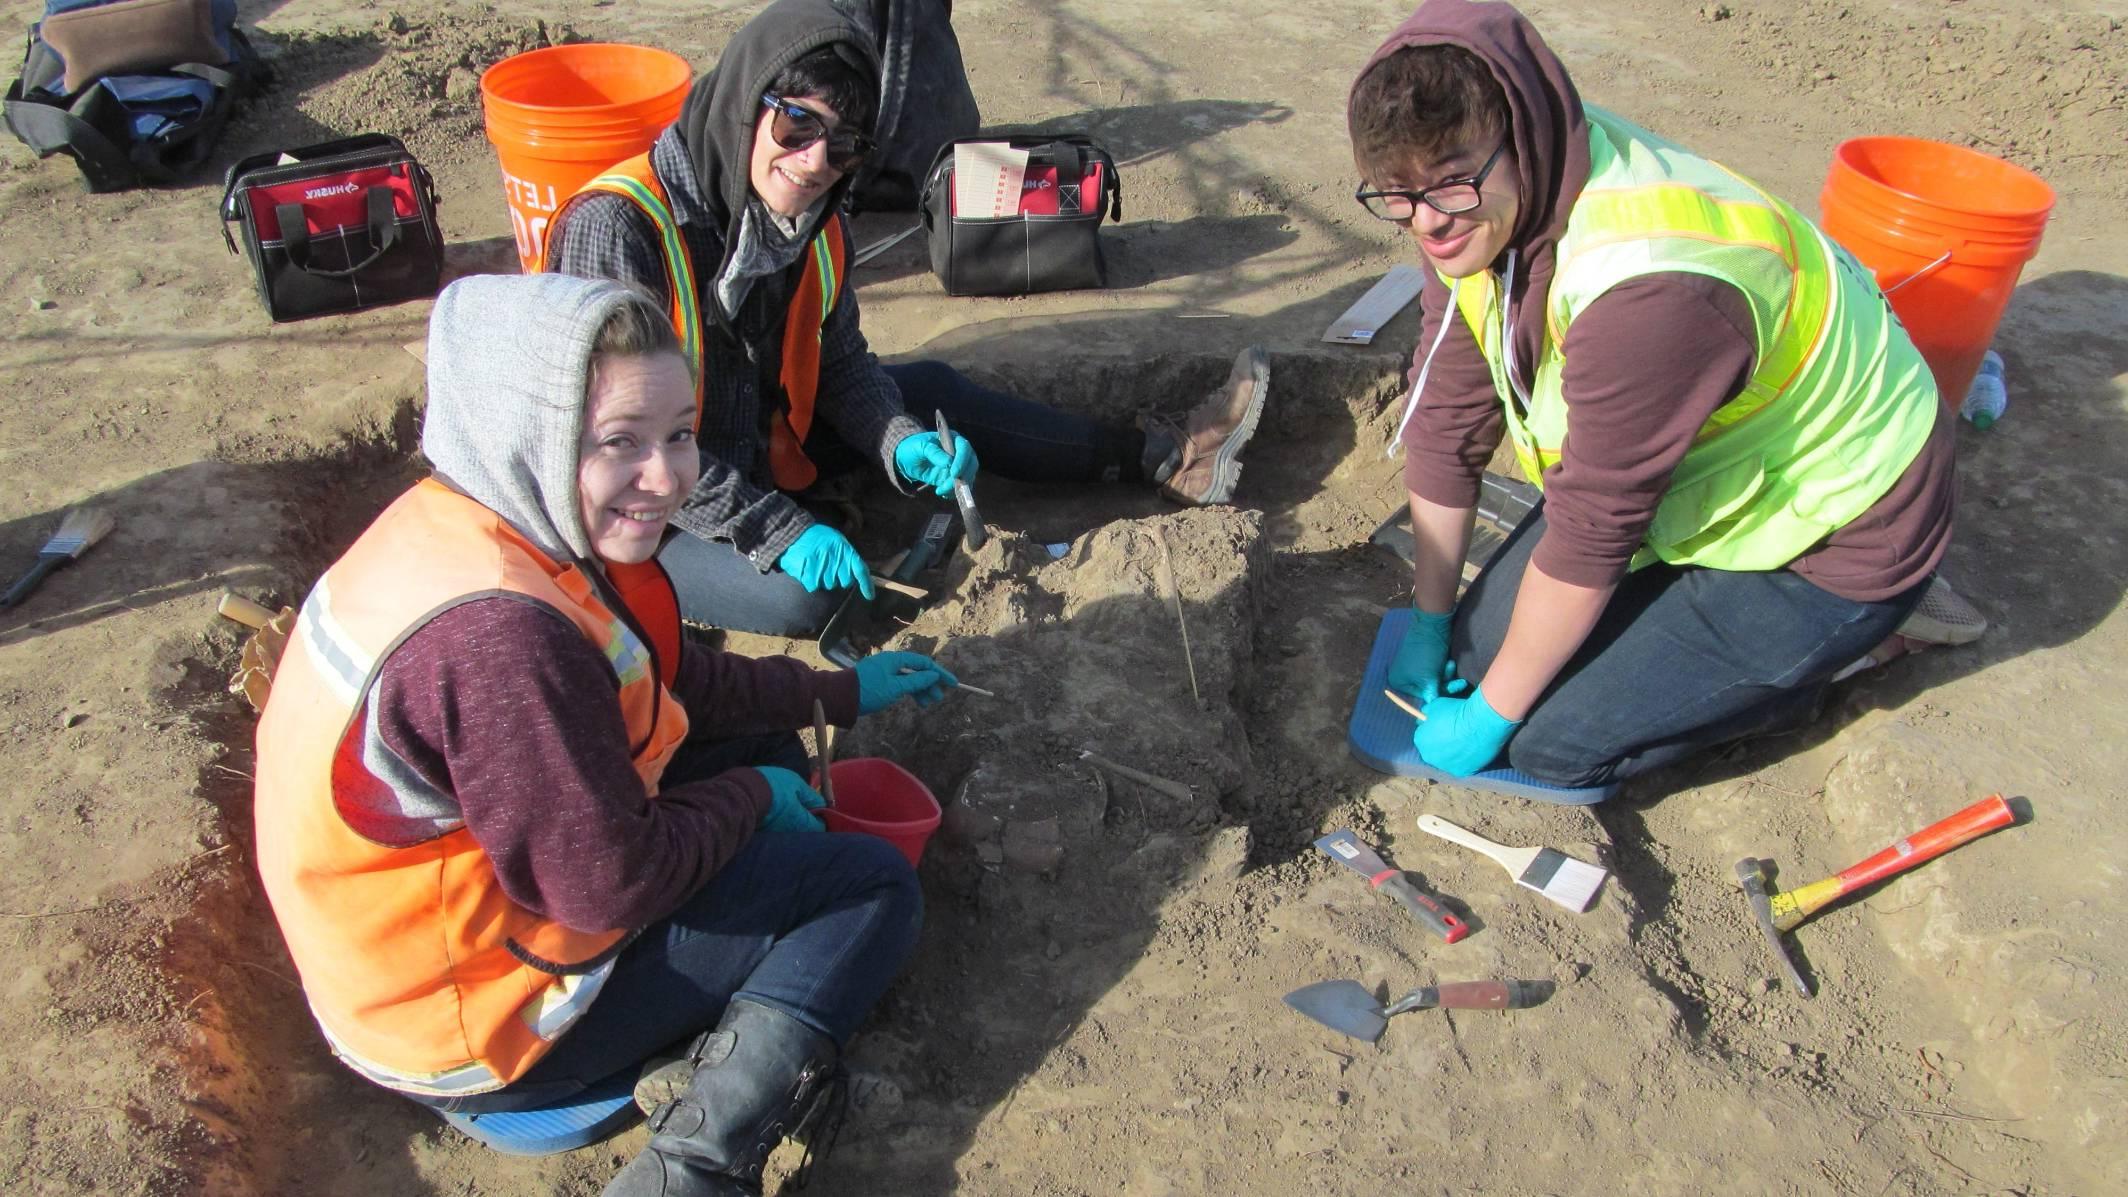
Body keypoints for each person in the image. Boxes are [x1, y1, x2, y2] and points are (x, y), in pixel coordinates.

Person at [252, 273, 958, 1195]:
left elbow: (657, 673)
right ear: (535, 435)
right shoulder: (499, 639)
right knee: (867, 892)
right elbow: (607, 882)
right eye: (620, 442)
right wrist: (750, 803)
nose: (668, 477)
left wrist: (833, 693)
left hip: (450, 930)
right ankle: (692, 1167)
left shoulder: (492, 518)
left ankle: (715, 1012)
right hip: (476, 1021)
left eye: (679, 433)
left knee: (770, 753)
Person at [1351, 0, 1978, 790]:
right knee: (1479, 660)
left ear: (1522, 134)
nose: (1428, 223)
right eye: (1395, 195)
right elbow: (1447, 421)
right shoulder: (1485, 206)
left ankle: (1854, 643)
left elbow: (1591, 534)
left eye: (1450, 185)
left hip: (1836, 535)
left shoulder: (1648, 283)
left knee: (1549, 746)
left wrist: (1490, 720)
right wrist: (1432, 621)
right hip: (1689, 480)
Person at [542, 0, 1270, 639]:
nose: (816, 161)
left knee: (926, 390)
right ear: (745, 101)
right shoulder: (621, 228)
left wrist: (898, 442)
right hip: (646, 512)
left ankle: (1164, 456)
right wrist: (776, 528)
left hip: (757, 443)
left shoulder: (810, 219)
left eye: (846, 145)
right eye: (797, 124)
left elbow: (842, 364)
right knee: (811, 597)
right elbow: (620, 457)